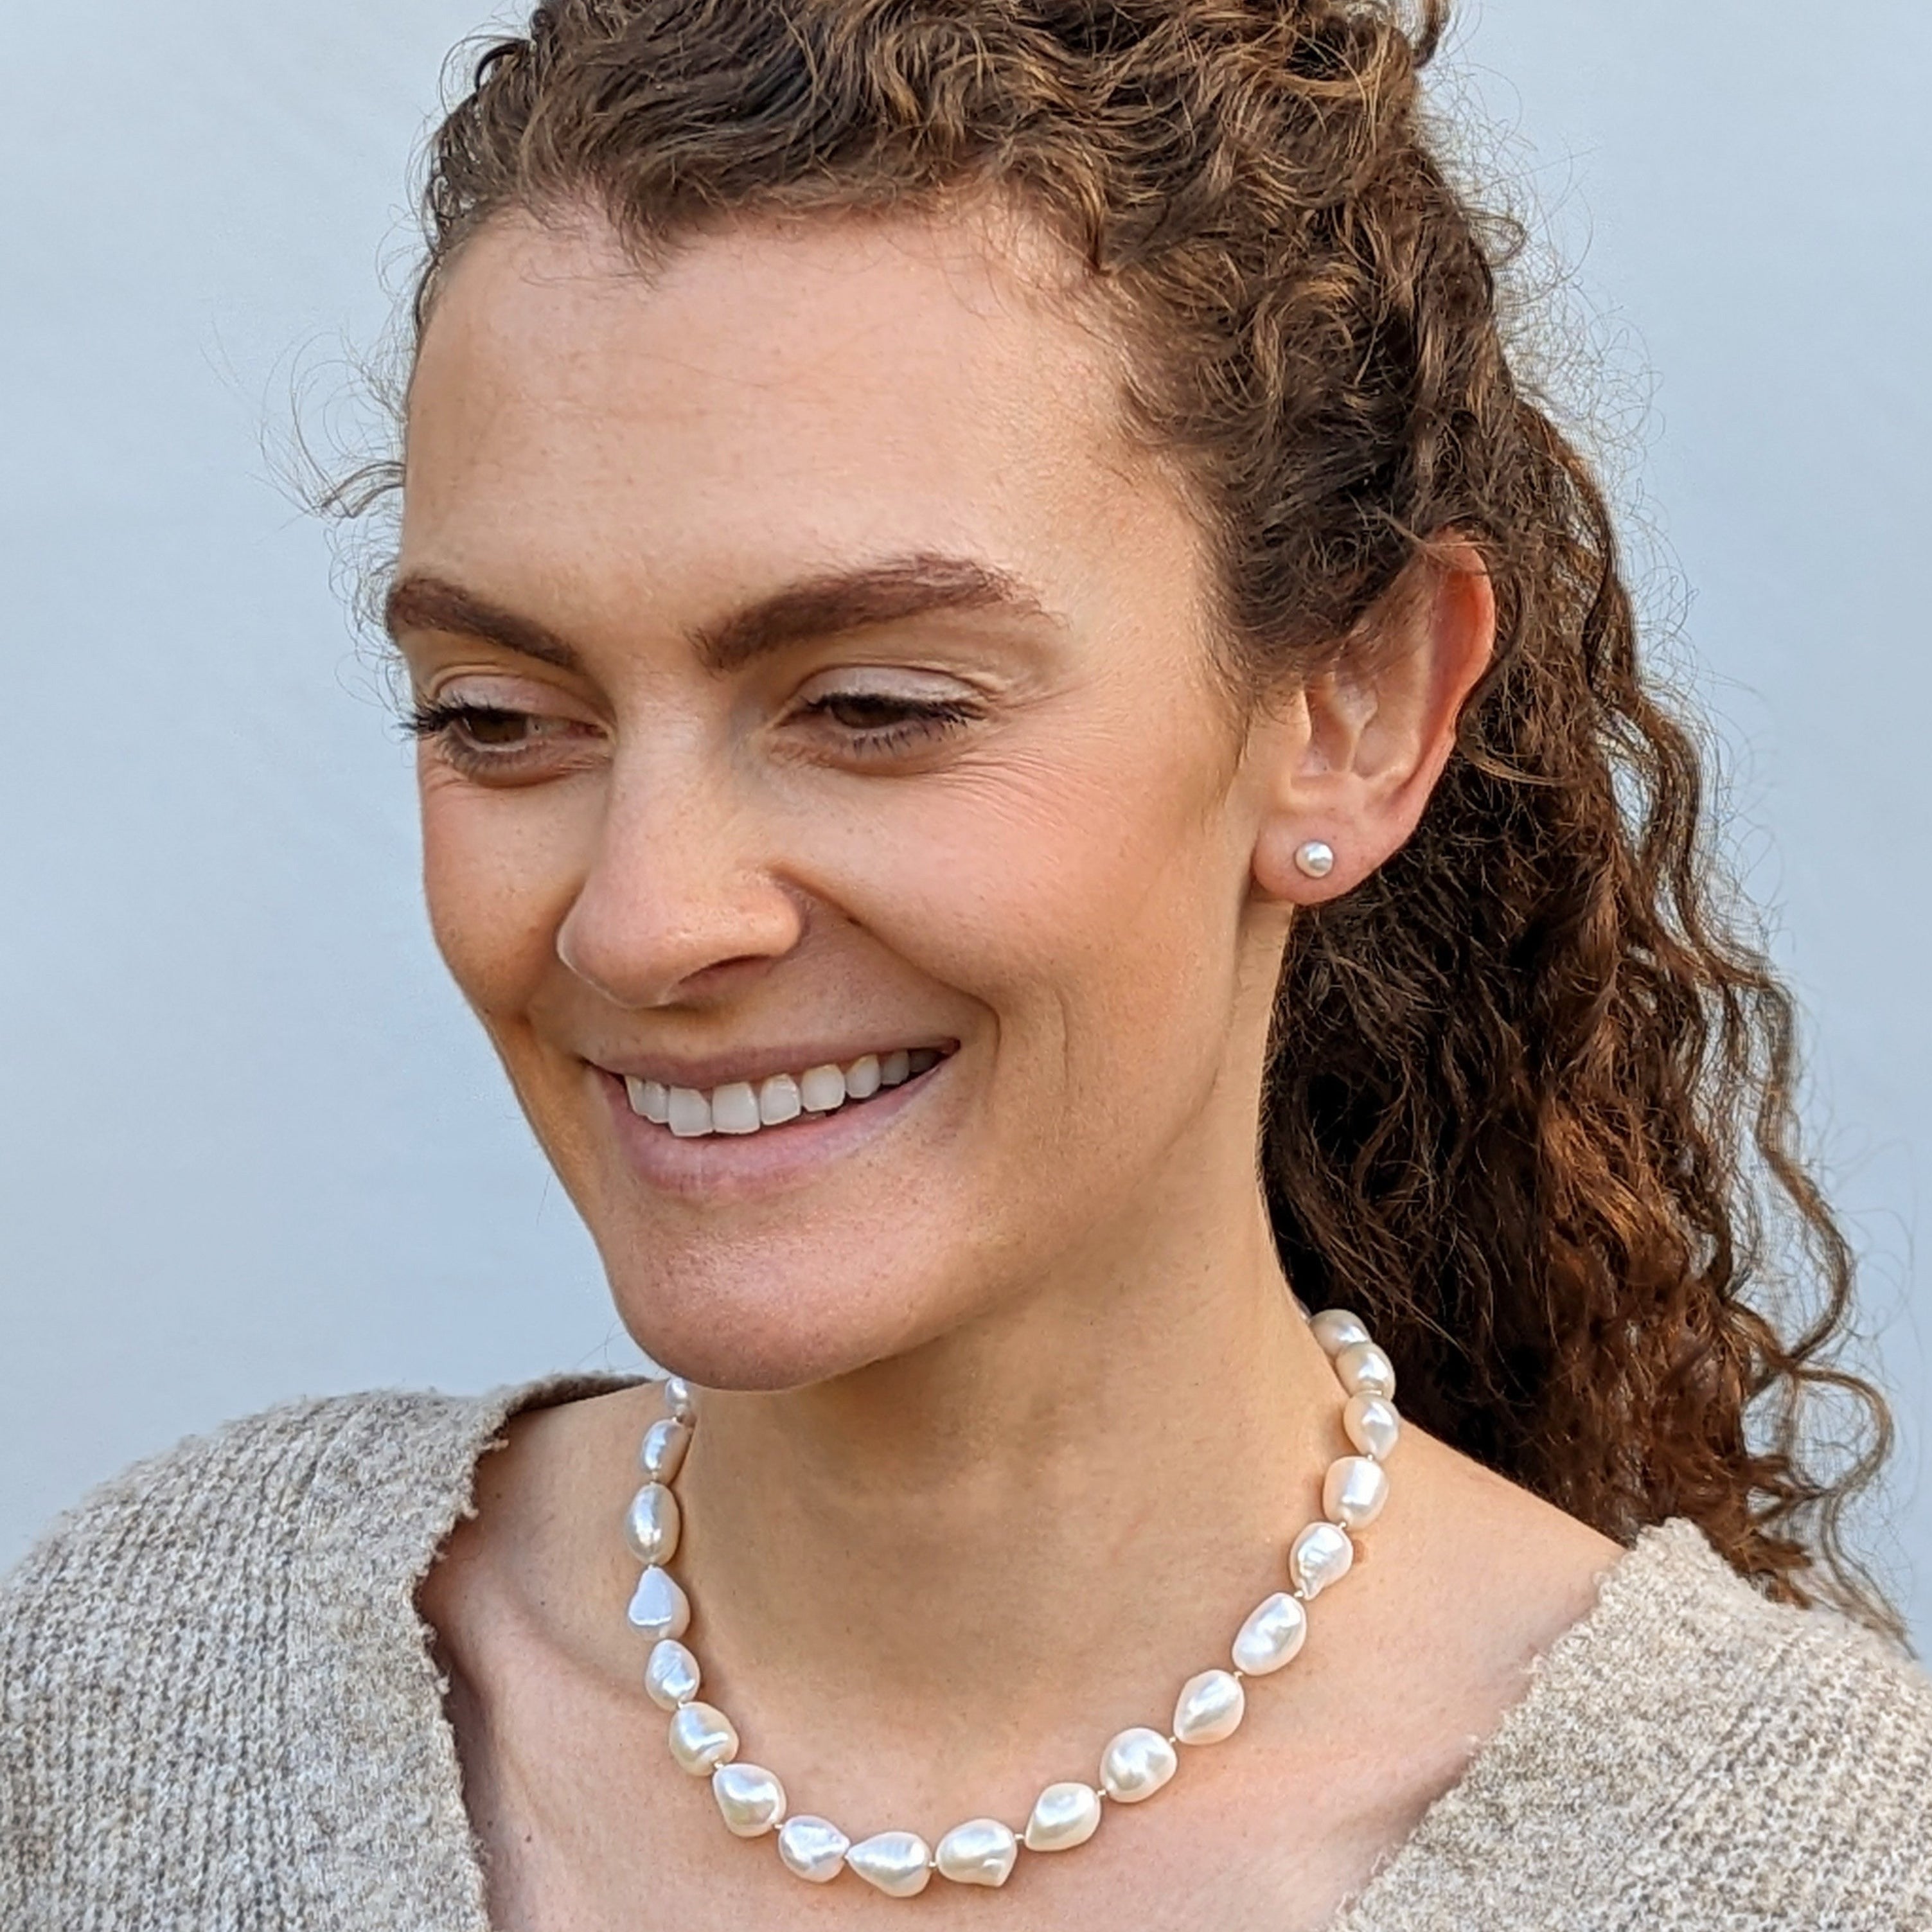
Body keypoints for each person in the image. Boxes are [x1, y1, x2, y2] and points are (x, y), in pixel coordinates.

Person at [4, 1, 1929, 1926]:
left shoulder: (1805, 1872)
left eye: (875, 705)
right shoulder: (142, 1699)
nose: (646, 920)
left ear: (1356, 705)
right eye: (499, 718)